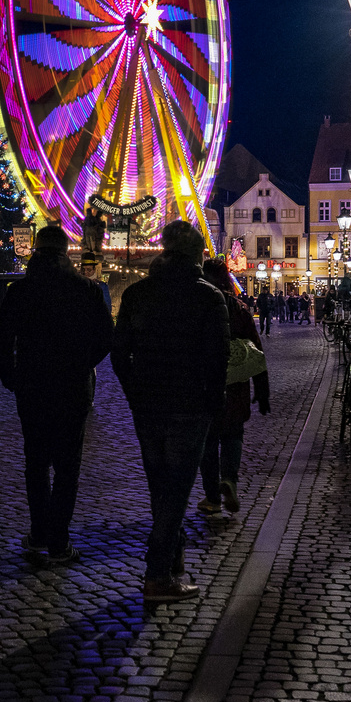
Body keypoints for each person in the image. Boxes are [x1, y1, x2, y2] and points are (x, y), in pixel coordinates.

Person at [110, 219, 230, 603]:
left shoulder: (137, 294)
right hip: (190, 404)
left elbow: (119, 353)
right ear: (196, 255)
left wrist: (133, 390)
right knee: (177, 487)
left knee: (159, 484)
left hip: (148, 404)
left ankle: (174, 557)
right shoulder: (210, 298)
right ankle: (157, 574)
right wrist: (214, 401)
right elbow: (218, 358)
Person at [0, 225, 113, 566]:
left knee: (35, 461)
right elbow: (106, 337)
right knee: (67, 465)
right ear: (65, 252)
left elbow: (1, 338)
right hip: (73, 387)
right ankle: (59, 540)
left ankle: (39, 532)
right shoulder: (86, 290)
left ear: (35, 250)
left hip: (32, 386)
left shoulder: (21, 291)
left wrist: (10, 375)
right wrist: (82, 362)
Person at [197, 259, 271, 517]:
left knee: (207, 440)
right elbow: (256, 349)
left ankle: (212, 496)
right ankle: (230, 479)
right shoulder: (239, 308)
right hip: (236, 381)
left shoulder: (198, 305)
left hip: (205, 381)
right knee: (233, 433)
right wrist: (263, 392)